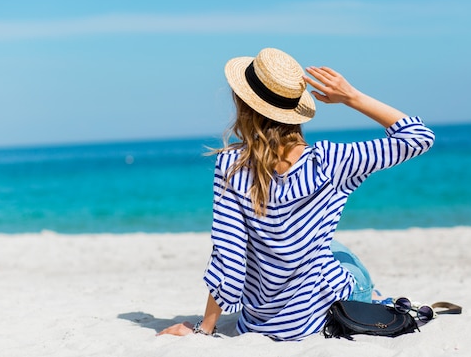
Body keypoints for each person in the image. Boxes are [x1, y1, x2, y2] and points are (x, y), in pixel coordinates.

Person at [158, 48, 435, 341]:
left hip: (259, 323)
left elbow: (229, 256)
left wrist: (205, 329)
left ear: (243, 104)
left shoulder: (230, 165)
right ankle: (370, 295)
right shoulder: (330, 161)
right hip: (320, 314)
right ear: (294, 110)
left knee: (291, 242)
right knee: (337, 249)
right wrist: (351, 96)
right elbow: (418, 137)